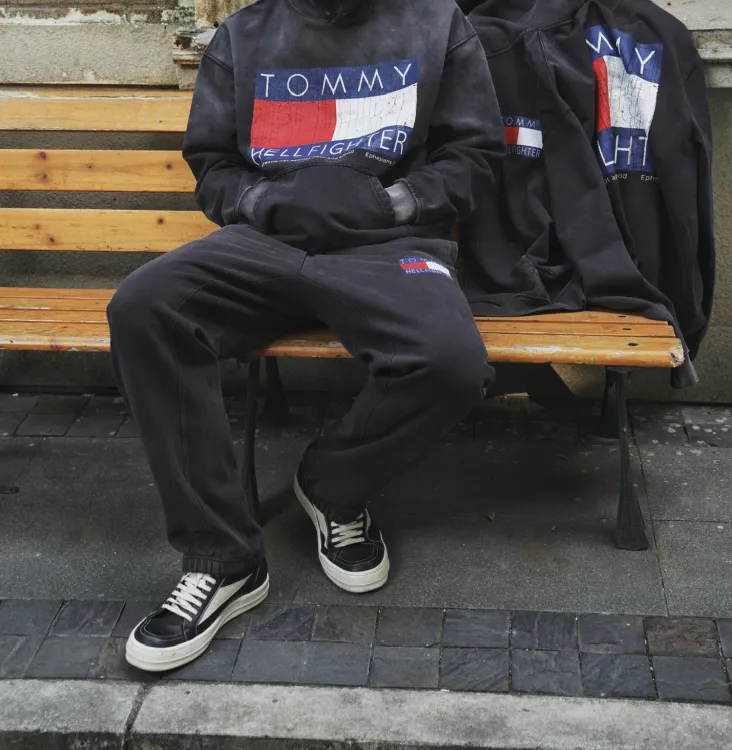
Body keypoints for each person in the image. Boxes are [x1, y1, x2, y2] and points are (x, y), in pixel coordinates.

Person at [107, 0, 505, 673]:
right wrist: (265, 202)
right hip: (266, 241)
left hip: (386, 243)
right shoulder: (244, 34)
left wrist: (392, 203)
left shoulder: (435, 22)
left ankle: (333, 484)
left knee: (451, 363)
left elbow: (476, 155)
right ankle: (223, 559)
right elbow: (212, 164)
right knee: (145, 306)